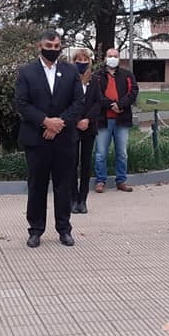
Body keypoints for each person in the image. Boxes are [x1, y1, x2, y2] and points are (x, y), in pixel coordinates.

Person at [15, 30, 84, 248]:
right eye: (49, 46)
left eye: (57, 46)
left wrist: (59, 124)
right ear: (39, 46)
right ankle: (35, 230)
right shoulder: (27, 72)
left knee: (64, 186)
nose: (53, 50)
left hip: (64, 139)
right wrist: (45, 122)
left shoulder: (70, 71)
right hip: (37, 139)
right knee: (37, 185)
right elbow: (22, 103)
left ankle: (64, 229)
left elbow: (78, 103)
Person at [92, 48, 139, 193]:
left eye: (115, 56)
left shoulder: (127, 75)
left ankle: (121, 181)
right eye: (110, 56)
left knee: (122, 152)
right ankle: (100, 181)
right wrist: (111, 105)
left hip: (122, 119)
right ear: (105, 58)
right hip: (102, 119)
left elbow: (133, 92)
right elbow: (96, 94)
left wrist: (120, 105)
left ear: (119, 58)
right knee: (100, 153)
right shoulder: (97, 76)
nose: (112, 58)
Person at [70, 48, 100, 214]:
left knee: (86, 163)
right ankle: (73, 199)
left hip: (89, 126)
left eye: (85, 59)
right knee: (72, 163)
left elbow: (98, 102)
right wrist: (76, 120)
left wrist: (87, 119)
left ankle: (83, 199)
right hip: (73, 127)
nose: (82, 62)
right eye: (79, 59)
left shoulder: (95, 80)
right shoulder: (69, 79)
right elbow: (67, 102)